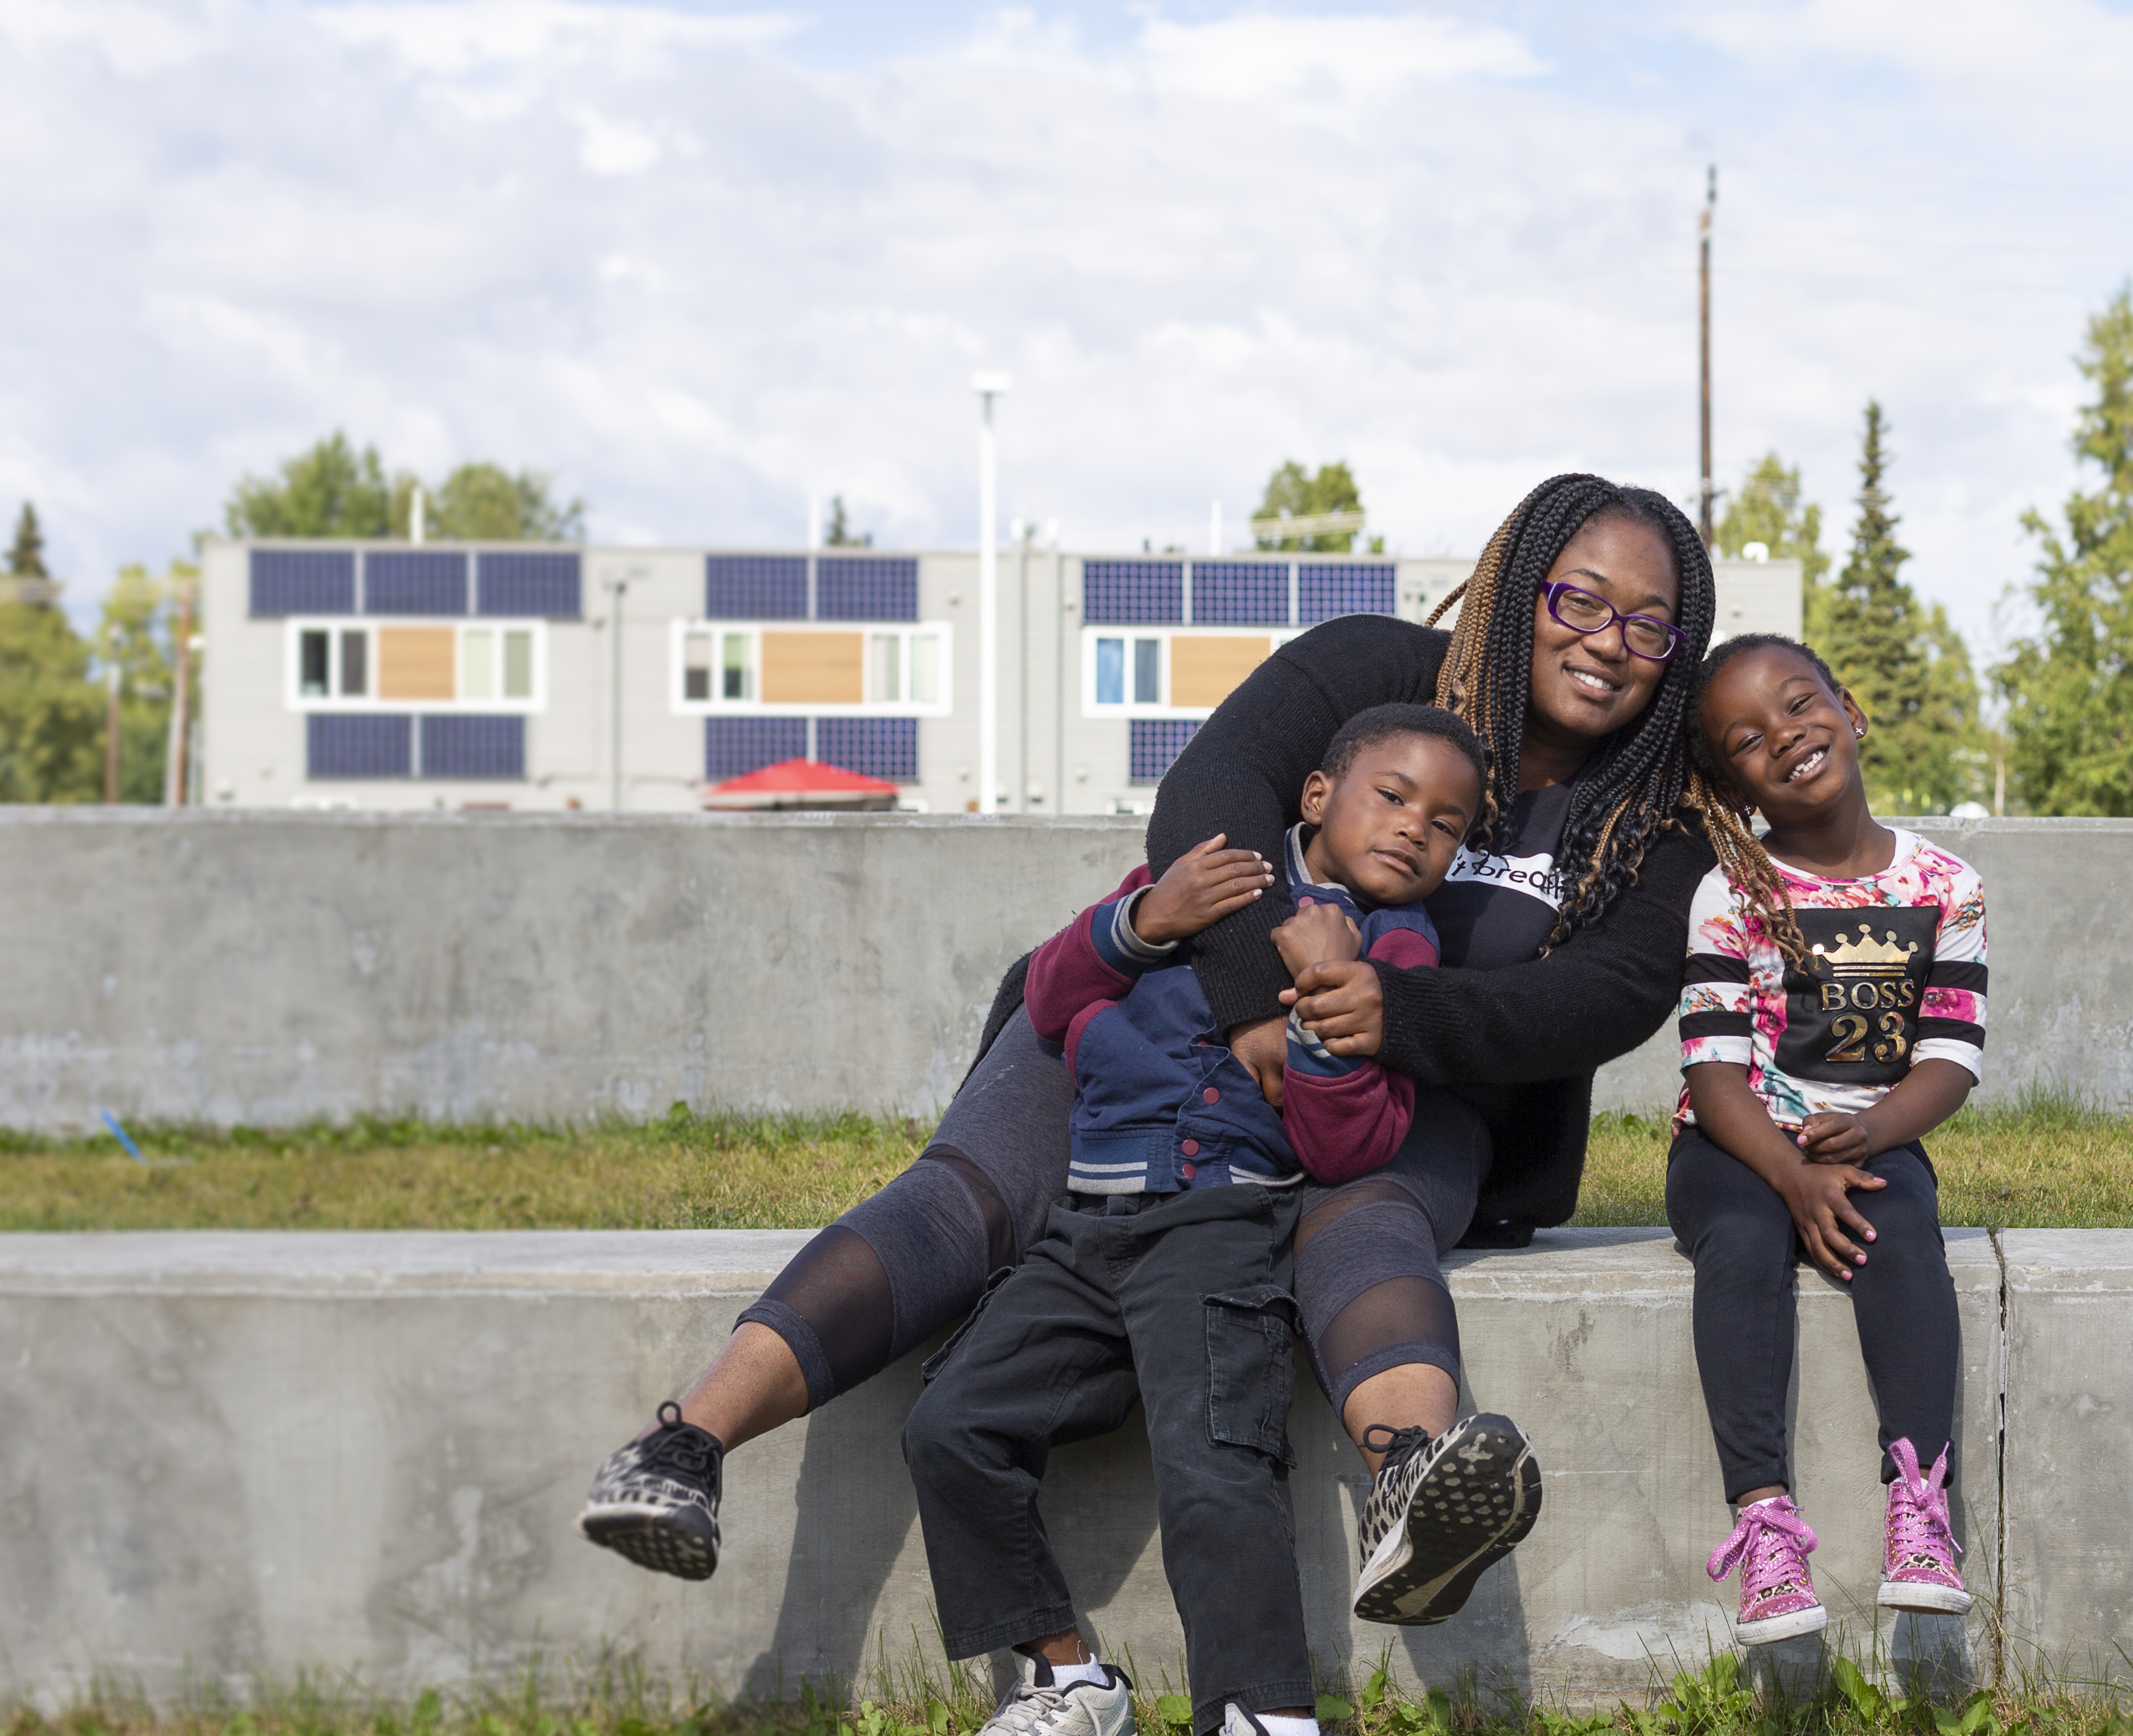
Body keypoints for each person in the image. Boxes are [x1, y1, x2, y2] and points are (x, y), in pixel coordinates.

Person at [579, 473, 1718, 1638]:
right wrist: (1250, 1005)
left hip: (1396, 1086)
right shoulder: (1376, 671)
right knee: (969, 1194)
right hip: (1169, 1016)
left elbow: (1608, 995)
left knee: (1365, 1224)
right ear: (1524, 585)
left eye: (1647, 622)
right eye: (1580, 600)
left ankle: (1413, 1487)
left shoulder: (1657, 812)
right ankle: (685, 1448)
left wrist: (1385, 1020)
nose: (1607, 642)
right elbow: (1209, 797)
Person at [903, 705, 1486, 1736]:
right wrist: (1139, 922)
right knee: (950, 1423)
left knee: (1214, 1471)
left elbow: (1346, 1145)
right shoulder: (1204, 870)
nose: (1418, 831)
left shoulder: (1394, 949)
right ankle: (1071, 1686)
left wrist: (1324, 1009)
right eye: (1394, 795)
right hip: (1088, 1222)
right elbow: (1055, 993)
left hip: (1218, 1226)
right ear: (1317, 796)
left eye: (1449, 823)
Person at [1666, 635, 1987, 1645]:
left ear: (1849, 708)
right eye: (1749, 739)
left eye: (1802, 705)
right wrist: (1788, 1173)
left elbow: (1950, 1055)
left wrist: (1875, 1133)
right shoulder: (1733, 890)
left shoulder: (1948, 885)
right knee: (1748, 1246)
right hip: (1735, 1143)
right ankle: (1764, 1527)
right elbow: (1713, 1071)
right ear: (1733, 782)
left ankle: (1921, 1509)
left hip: (1868, 1136)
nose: (1788, 738)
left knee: (1905, 1240)